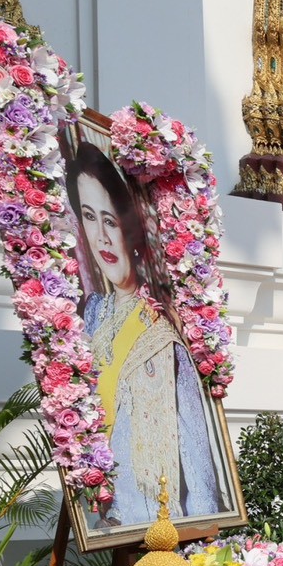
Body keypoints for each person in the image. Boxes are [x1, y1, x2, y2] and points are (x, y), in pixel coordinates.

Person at [65, 141, 223, 528]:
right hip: (102, 516)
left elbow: (195, 446)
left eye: (110, 220)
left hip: (153, 520)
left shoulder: (162, 326)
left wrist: (205, 534)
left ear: (131, 228)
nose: (101, 237)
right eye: (89, 217)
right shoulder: (92, 315)